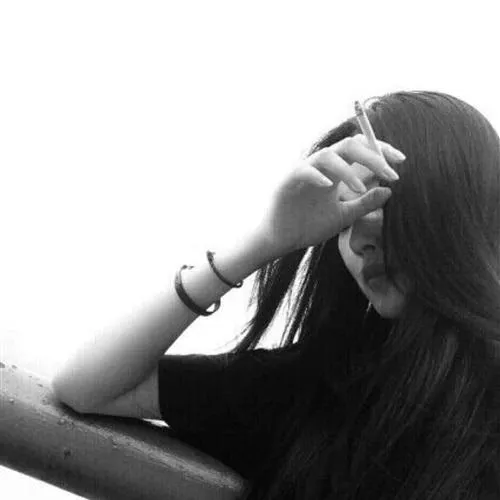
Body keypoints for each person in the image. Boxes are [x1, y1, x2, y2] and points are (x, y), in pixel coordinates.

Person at [52, 90, 500, 499]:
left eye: (383, 202)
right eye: (345, 218)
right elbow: (86, 388)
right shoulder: (317, 390)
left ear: (464, 212)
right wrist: (265, 241)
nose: (360, 239)